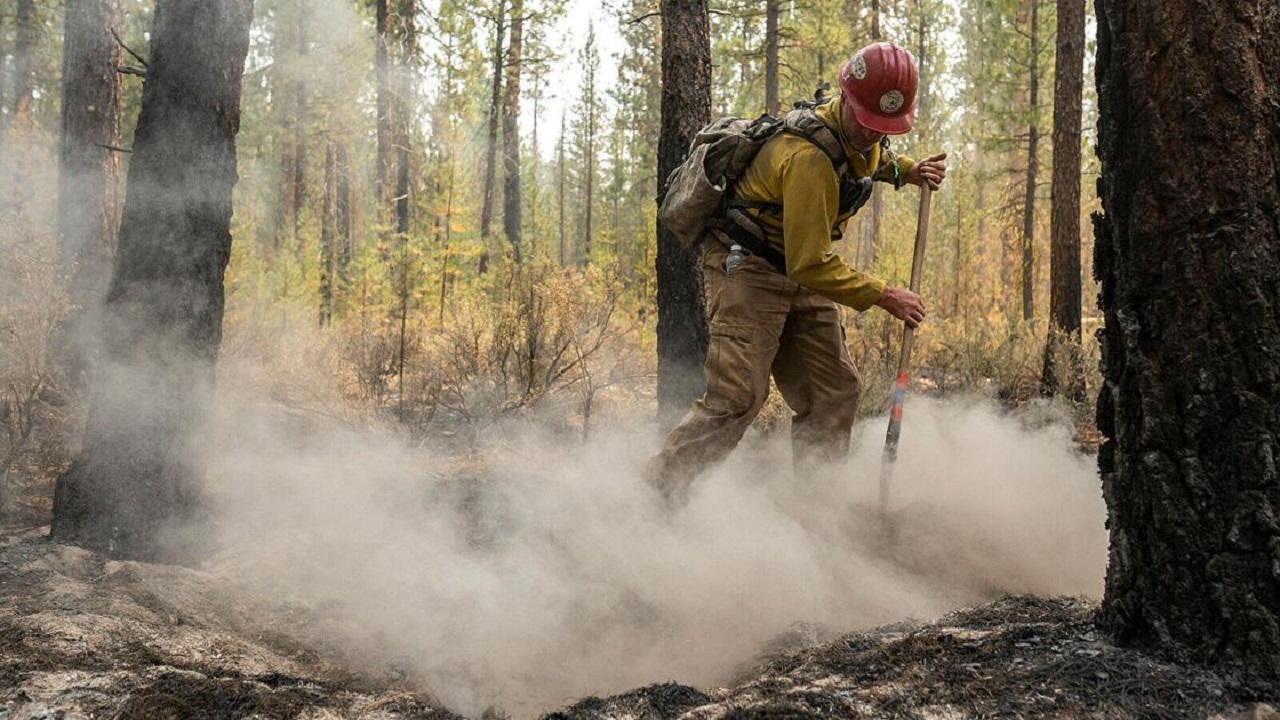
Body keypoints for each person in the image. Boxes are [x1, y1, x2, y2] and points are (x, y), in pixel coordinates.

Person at [647, 40, 948, 503]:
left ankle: (817, 517)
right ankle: (654, 498)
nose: (872, 133)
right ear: (846, 99)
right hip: (748, 268)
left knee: (833, 390)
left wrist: (907, 170)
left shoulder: (854, 135)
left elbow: (867, 160)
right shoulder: (807, 159)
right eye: (868, 121)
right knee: (737, 400)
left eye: (883, 127)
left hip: (799, 269)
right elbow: (812, 261)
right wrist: (885, 295)